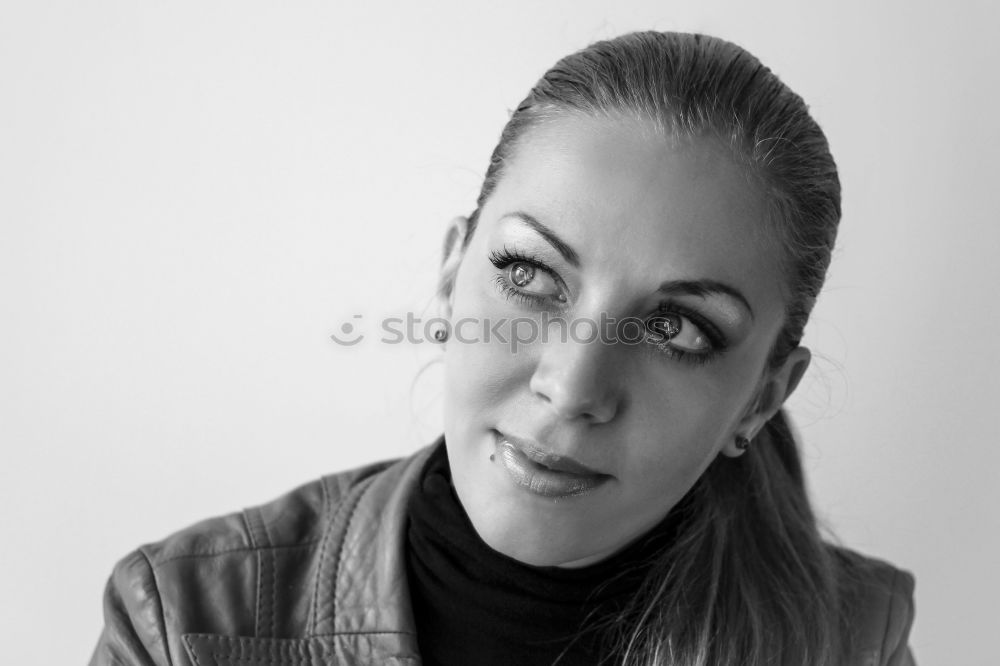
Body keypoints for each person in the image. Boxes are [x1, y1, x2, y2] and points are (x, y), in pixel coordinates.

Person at [89, 31, 916, 666]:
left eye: (676, 329)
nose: (570, 384)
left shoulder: (851, 643)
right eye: (531, 275)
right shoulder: (184, 623)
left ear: (763, 396)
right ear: (453, 275)